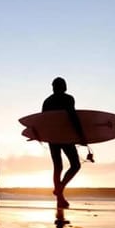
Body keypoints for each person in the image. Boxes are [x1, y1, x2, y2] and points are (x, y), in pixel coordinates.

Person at [42, 77, 86, 208]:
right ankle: (60, 190)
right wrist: (81, 136)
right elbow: (73, 117)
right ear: (64, 87)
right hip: (65, 137)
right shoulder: (68, 99)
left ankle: (59, 196)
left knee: (58, 167)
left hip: (52, 137)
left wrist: (41, 136)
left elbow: (43, 121)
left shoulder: (47, 101)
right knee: (75, 165)